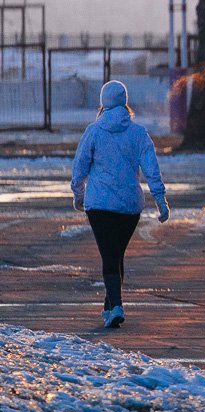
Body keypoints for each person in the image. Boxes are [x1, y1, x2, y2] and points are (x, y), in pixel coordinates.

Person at [70, 80, 170, 328]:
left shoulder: (93, 132)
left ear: (103, 102)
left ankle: (116, 306)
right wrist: (160, 200)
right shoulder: (138, 134)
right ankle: (109, 308)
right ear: (125, 102)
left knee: (110, 255)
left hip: (100, 206)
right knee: (115, 254)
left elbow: (79, 167)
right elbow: (151, 170)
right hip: (128, 208)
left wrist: (78, 194)